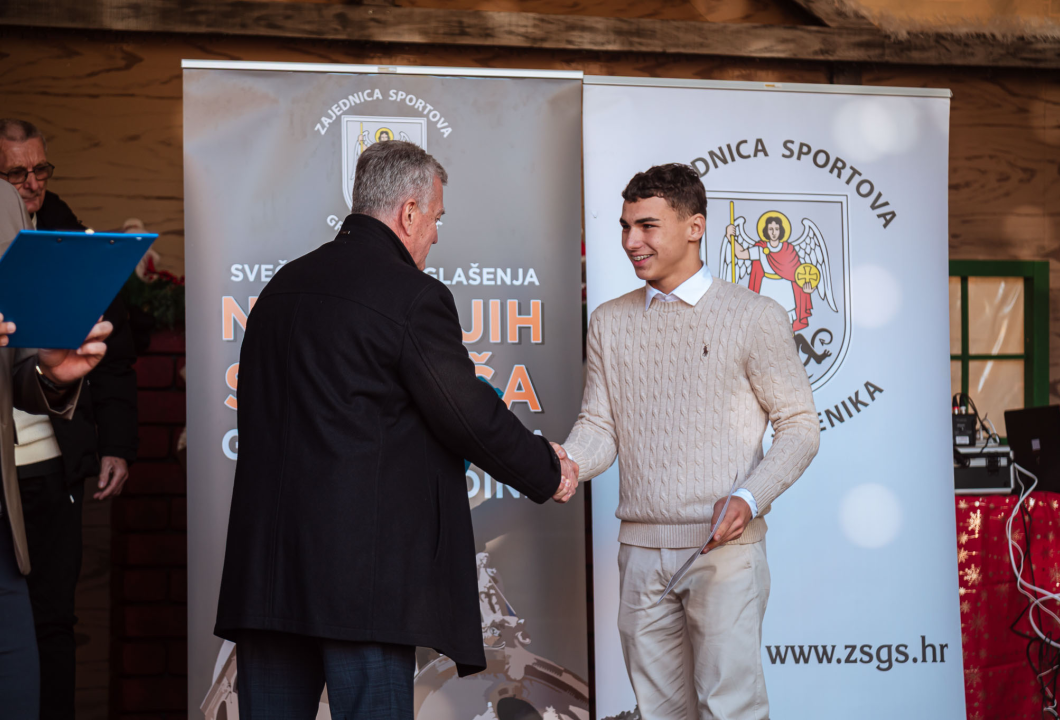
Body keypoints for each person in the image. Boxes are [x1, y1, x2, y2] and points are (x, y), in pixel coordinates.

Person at [214, 140, 579, 720]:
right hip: (362, 585)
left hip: (269, 580)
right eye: (435, 218)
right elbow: (466, 413)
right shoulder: (412, 296)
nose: (435, 234)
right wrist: (547, 468)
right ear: (409, 212)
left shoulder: (280, 289)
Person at [563, 164, 819, 720]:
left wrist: (750, 498)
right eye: (627, 227)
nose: (632, 241)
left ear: (694, 226)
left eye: (648, 226)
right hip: (640, 552)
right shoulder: (609, 321)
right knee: (657, 712)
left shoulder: (755, 316)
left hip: (724, 550)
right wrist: (563, 464)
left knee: (730, 710)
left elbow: (800, 426)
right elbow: (599, 428)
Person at [0, 118, 138, 720]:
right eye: (15, 173)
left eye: (40, 169)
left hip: (52, 468)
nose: (31, 183)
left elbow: (113, 353)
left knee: (51, 620)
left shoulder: (66, 230)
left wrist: (118, 443)